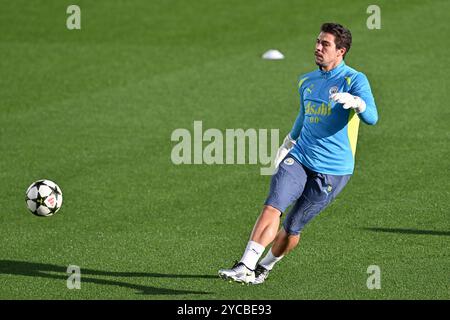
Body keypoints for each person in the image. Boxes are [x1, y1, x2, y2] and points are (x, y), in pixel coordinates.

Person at [218, 22, 378, 284]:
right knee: (273, 205)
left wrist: (358, 103)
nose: (317, 47)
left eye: (325, 44)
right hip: (300, 157)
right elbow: (303, 118)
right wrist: (288, 143)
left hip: (333, 171)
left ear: (341, 51)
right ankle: (246, 264)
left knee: (292, 227)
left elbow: (372, 117)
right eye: (317, 42)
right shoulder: (307, 81)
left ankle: (265, 267)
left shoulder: (354, 80)